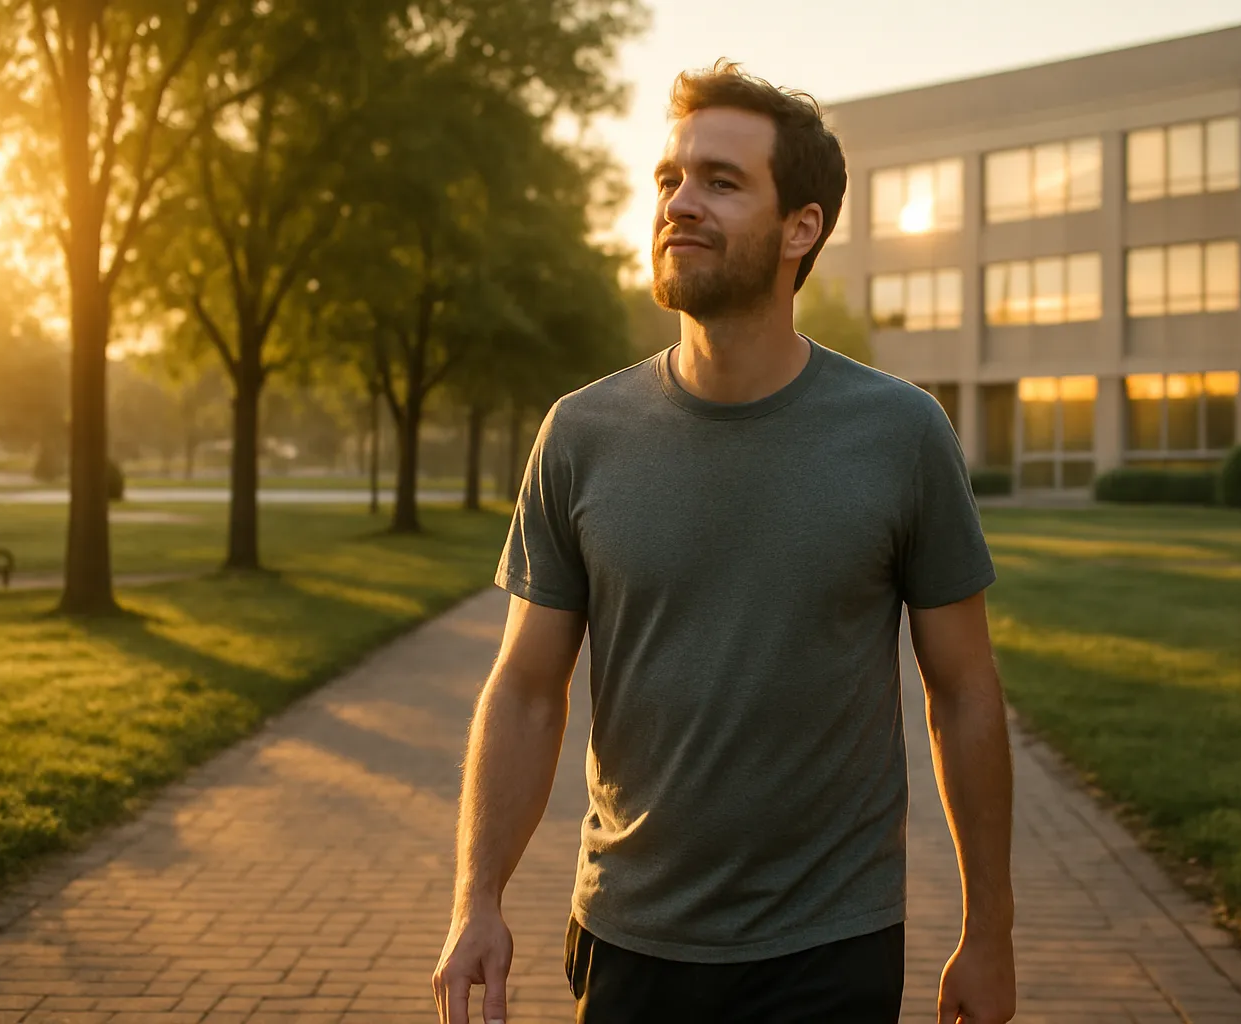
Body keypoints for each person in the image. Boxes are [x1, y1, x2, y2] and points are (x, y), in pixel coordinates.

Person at [432, 60, 1016, 1024]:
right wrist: (477, 899)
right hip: (632, 938)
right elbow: (529, 688)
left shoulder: (902, 434)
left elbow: (962, 691)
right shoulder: (581, 434)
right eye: (668, 179)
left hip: (830, 947)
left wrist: (988, 934)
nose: (680, 203)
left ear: (803, 227)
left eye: (720, 181)